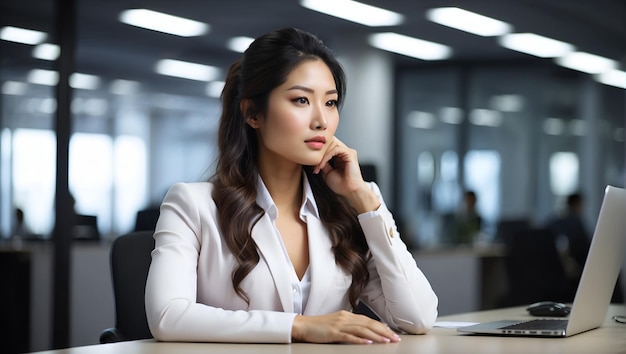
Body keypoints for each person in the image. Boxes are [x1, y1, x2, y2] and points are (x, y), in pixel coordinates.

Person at [145, 28, 438, 345]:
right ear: (253, 113)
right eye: (301, 100)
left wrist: (366, 200)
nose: (321, 121)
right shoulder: (193, 204)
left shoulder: (344, 211)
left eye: (330, 103)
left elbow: (418, 318)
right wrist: (297, 326)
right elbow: (168, 317)